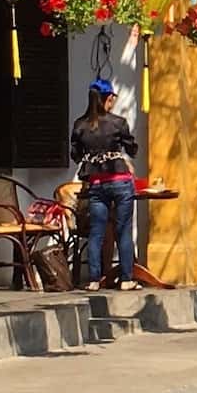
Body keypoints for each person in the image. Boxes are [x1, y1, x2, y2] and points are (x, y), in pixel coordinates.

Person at [71, 80, 140, 290]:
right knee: (123, 230)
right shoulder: (118, 123)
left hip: (96, 184)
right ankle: (127, 279)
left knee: (96, 232)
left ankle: (94, 280)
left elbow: (75, 155)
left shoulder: (80, 125)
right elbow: (132, 149)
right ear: (109, 98)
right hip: (120, 181)